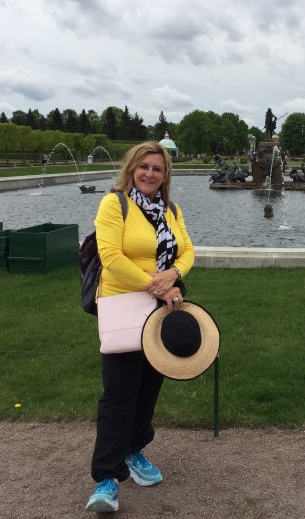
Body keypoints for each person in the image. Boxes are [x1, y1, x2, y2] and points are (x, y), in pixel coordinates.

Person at [86, 141, 195, 513]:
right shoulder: (114, 204)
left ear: (166, 176)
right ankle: (106, 478)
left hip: (162, 309)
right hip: (125, 304)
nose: (150, 173)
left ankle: (134, 450)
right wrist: (161, 286)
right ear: (132, 168)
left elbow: (188, 250)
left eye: (158, 169)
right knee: (119, 393)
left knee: (149, 387)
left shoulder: (171, 209)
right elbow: (111, 258)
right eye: (144, 166)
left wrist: (175, 273)